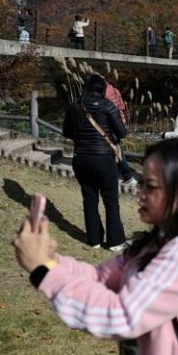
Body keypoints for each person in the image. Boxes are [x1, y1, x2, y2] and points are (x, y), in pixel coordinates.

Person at [11, 138, 178, 355]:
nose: (140, 193)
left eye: (150, 186)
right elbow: (100, 278)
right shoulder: (162, 240)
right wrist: (49, 260)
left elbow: (123, 316)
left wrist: (42, 270)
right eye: (142, 182)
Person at [63, 74, 128, 251]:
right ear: (102, 89)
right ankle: (115, 241)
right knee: (111, 201)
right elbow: (122, 133)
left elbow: (66, 132)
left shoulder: (74, 106)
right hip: (104, 159)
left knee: (89, 199)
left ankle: (94, 240)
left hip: (81, 158)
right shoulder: (108, 106)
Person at [105, 80, 138, 188]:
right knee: (115, 148)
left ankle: (128, 176)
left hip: (111, 124)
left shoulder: (102, 91)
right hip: (120, 122)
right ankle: (122, 175)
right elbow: (122, 106)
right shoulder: (115, 90)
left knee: (116, 150)